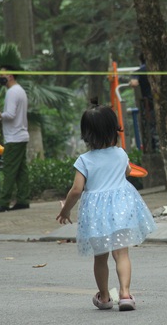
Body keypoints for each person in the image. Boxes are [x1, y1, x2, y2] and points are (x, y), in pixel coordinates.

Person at [56, 105, 156, 311]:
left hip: (96, 215)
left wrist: (65, 209)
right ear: (113, 130)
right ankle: (125, 294)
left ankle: (103, 297)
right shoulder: (120, 154)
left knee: (100, 257)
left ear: (86, 134)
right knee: (122, 254)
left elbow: (76, 189)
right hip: (121, 209)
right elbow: (128, 171)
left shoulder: (84, 161)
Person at [0, 65, 31, 213]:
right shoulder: (19, 90)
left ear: (11, 76)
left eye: (3, 74)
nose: (1, 77)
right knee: (21, 170)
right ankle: (23, 199)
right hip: (21, 135)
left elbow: (10, 114)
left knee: (9, 169)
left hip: (14, 137)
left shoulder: (12, 92)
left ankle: (3, 202)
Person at [129, 53, 158, 152]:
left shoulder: (140, 71)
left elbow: (134, 83)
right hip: (161, 102)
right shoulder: (159, 69)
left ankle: (154, 148)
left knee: (151, 126)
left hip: (149, 103)